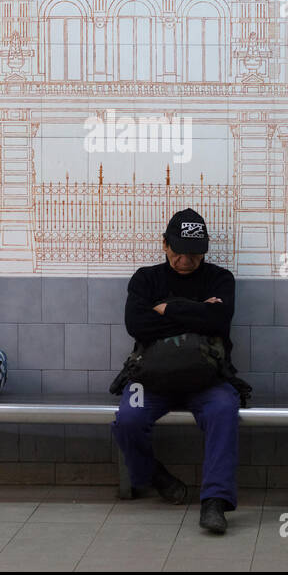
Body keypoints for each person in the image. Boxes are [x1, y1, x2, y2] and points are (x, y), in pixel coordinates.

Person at [110, 208, 251, 534]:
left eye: (195, 253)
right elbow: (137, 325)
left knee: (223, 411)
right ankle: (154, 476)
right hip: (151, 378)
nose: (187, 260)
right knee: (127, 420)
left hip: (208, 377)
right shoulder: (146, 279)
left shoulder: (220, 279)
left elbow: (218, 321)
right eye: (179, 251)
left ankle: (215, 502)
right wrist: (199, 311)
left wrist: (167, 309)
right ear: (164, 245)